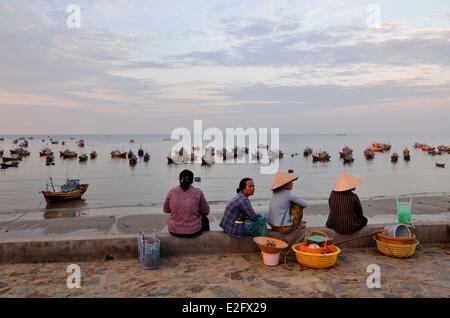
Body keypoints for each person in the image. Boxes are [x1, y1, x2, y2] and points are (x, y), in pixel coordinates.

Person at [163, 169, 210, 237]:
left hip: (174, 230)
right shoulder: (198, 192)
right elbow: (206, 211)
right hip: (193, 231)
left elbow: (166, 210)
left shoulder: (172, 192)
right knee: (205, 219)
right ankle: (206, 241)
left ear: (179, 179)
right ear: (192, 181)